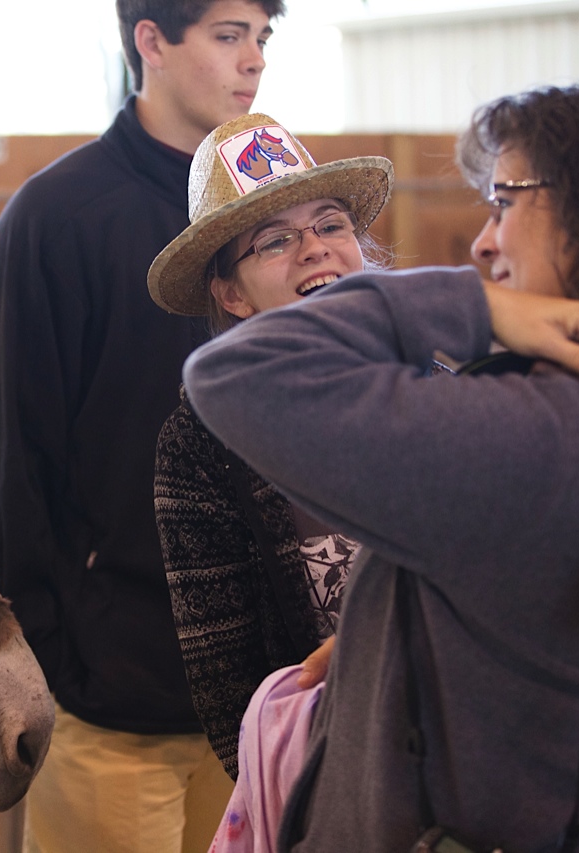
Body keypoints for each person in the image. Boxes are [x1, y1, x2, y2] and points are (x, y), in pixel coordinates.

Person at [183, 78, 579, 852]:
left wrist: (468, 306)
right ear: (229, 289)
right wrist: (399, 632)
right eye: (273, 240)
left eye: (505, 202)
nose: (482, 243)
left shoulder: (528, 438)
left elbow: (229, 376)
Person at [0, 1, 283, 851]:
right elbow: (11, 464)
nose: (253, 61)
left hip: (256, 701)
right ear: (152, 41)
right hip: (107, 699)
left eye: (262, 38)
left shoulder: (276, 216)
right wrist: (54, 663)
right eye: (228, 36)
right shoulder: (54, 218)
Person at [146, 112, 392, 789]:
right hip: (336, 791)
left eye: (331, 224)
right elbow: (233, 697)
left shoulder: (437, 377)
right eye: (275, 240)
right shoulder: (202, 443)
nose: (314, 248)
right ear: (232, 293)